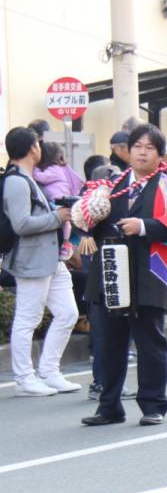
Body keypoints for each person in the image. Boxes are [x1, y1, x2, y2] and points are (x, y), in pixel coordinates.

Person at [81, 124, 167, 426]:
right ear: (127, 151)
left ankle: (153, 404)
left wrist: (143, 226)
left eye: (150, 148)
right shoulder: (110, 184)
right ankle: (109, 406)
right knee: (109, 341)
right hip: (111, 268)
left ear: (160, 155)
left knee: (150, 339)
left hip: (150, 269)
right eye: (137, 146)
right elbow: (89, 221)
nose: (142, 152)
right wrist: (86, 216)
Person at [2, 127, 80, 396]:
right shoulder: (16, 181)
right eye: (37, 144)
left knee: (68, 312)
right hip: (32, 259)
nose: (40, 148)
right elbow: (21, 224)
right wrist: (58, 217)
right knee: (28, 318)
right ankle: (24, 378)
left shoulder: (28, 178)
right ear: (32, 148)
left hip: (50, 258)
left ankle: (49, 371)